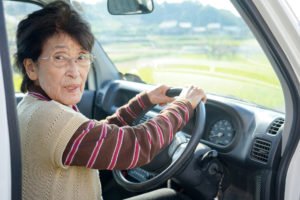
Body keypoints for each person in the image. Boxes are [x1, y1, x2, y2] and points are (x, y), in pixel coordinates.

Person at [16, 1, 206, 200]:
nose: (75, 72)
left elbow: (96, 136)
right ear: (31, 68)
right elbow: (136, 146)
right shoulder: (51, 119)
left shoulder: (32, 106)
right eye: (60, 58)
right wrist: (184, 105)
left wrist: (145, 101)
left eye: (81, 57)